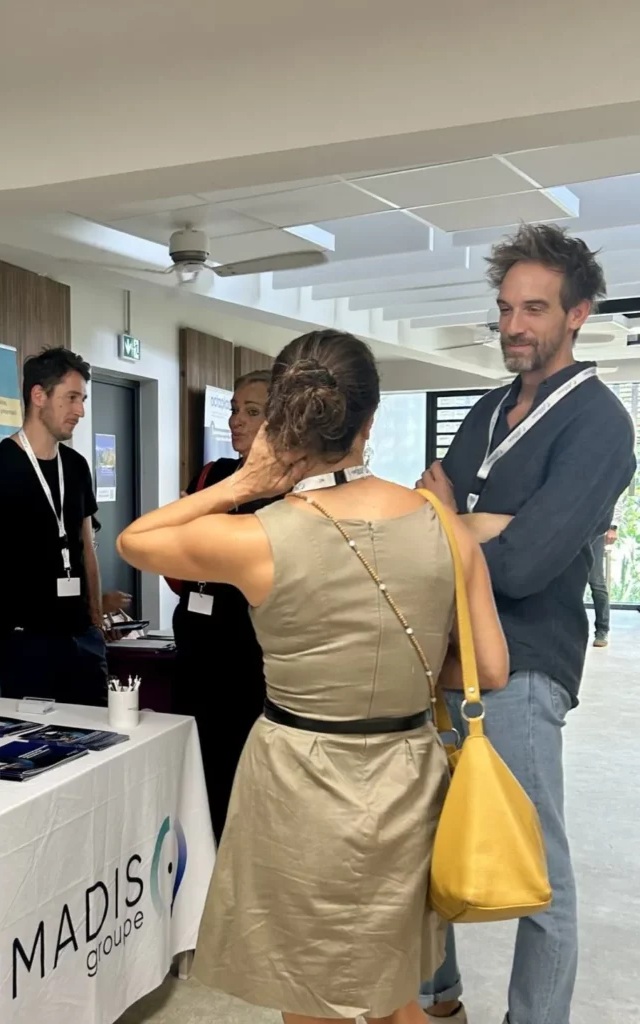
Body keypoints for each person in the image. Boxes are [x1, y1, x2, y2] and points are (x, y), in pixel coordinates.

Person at [118, 330, 509, 1024]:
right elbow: (493, 668)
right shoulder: (442, 526)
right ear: (369, 419)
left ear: (282, 422)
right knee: (395, 993)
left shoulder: (260, 535)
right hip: (405, 768)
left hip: (297, 773)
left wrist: (246, 481)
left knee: (307, 995)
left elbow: (135, 540)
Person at [419, 223, 636, 1024]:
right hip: (443, 660)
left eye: (533, 309)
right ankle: (436, 1002)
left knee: (537, 874)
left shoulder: (600, 426)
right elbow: (429, 509)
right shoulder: (485, 405)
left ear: (576, 314)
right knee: (428, 849)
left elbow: (524, 566)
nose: (513, 325)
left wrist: (455, 519)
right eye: (505, 308)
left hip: (523, 670)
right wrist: (475, 521)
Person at [0, 347, 107, 707]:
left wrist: (96, 621)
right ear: (38, 396)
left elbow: (86, 548)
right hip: (25, 643)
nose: (80, 410)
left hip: (82, 640)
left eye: (83, 399)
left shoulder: (77, 467)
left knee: (99, 747)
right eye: (71, 398)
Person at [171, 369, 276, 841]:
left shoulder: (290, 488)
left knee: (245, 768)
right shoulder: (213, 476)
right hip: (197, 646)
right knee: (199, 764)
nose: (237, 420)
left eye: (251, 412)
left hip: (252, 657)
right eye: (235, 410)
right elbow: (174, 554)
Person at [589, 492, 625, 648]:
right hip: (573, 529)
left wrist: (613, 527)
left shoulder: (605, 468)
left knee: (596, 580)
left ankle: (602, 630)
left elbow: (616, 495)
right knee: (566, 582)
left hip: (597, 530)